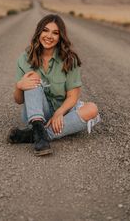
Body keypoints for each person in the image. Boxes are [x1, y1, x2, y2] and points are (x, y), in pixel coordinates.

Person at [7, 14, 101, 156]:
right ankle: (38, 128)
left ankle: (34, 136)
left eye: (55, 33)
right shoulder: (24, 58)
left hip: (63, 112)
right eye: (45, 30)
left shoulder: (69, 59)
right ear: (39, 32)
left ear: (60, 37)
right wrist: (19, 85)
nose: (49, 36)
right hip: (36, 113)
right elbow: (18, 100)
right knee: (33, 78)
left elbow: (73, 95)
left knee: (92, 109)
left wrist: (59, 113)